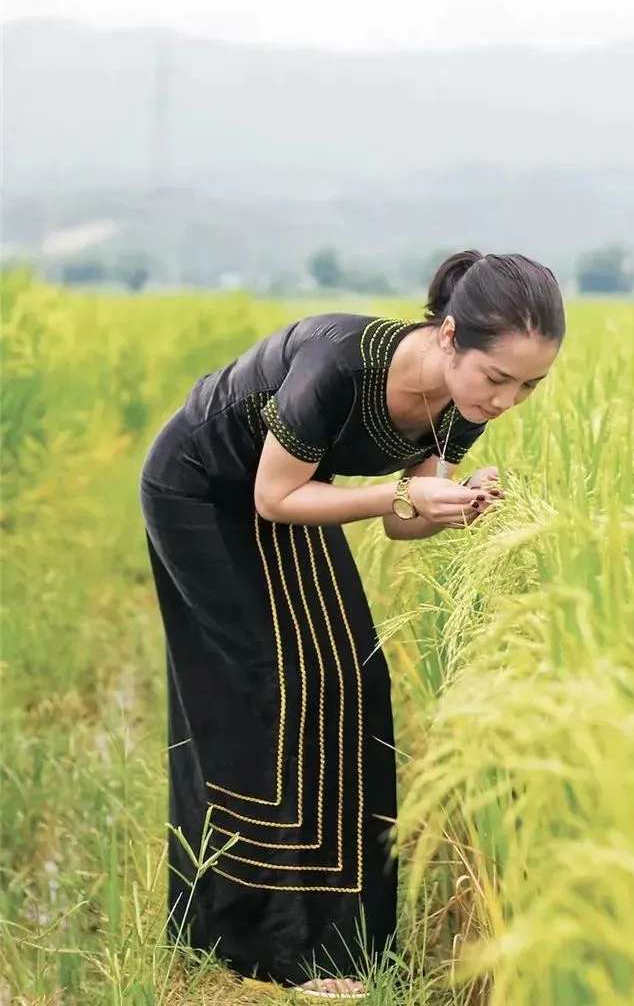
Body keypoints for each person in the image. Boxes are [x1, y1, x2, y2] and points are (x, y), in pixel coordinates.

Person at [138, 249, 565, 1000]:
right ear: (449, 337)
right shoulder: (340, 364)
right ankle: (258, 941)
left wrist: (456, 504)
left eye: (530, 385)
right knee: (273, 683)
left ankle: (345, 941)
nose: (507, 400)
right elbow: (274, 498)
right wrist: (394, 501)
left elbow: (406, 522)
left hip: (291, 492)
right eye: (497, 378)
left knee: (352, 676)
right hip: (201, 488)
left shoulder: (461, 405)